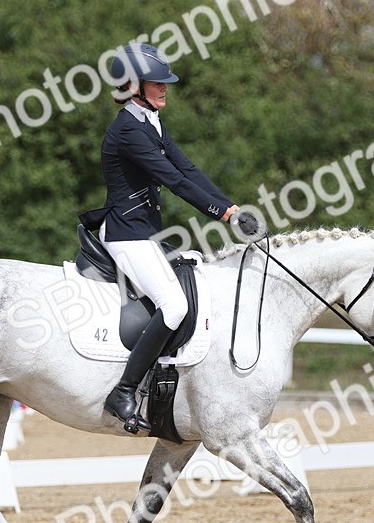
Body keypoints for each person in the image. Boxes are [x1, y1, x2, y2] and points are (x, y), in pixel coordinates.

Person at [80, 42, 261, 428]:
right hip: (127, 235)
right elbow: (173, 180)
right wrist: (223, 214)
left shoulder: (150, 123)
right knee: (175, 306)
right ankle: (123, 392)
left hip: (146, 233)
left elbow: (189, 170)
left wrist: (232, 207)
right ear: (132, 86)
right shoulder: (127, 131)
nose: (165, 89)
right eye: (156, 83)